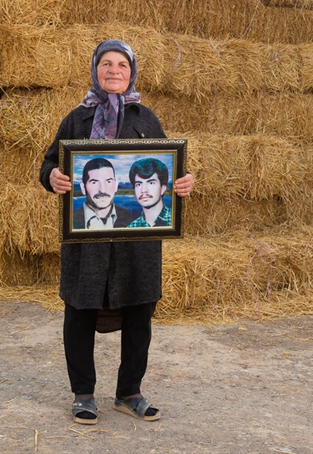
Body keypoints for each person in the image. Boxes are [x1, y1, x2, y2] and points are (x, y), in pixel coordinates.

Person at [39, 39, 195, 425]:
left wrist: (183, 182)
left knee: (139, 312)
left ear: (132, 72)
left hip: (136, 242)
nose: (114, 71)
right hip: (86, 241)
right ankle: (83, 394)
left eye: (121, 65)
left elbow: (168, 169)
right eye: (106, 63)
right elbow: (48, 162)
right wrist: (53, 176)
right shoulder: (76, 120)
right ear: (95, 70)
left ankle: (129, 393)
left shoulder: (146, 119)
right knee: (80, 312)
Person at [74, 157, 132, 229]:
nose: (102, 190)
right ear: (83, 188)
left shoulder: (127, 217)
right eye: (94, 182)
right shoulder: (70, 221)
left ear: (116, 185)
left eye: (108, 181)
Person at [126, 157, 172, 228]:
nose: (143, 190)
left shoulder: (178, 220)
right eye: (138, 184)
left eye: (151, 183)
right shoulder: (131, 228)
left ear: (163, 188)